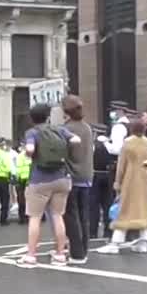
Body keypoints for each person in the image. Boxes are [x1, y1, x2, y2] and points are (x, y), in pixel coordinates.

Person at [16, 101, 79, 268]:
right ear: (48, 116)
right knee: (58, 216)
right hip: (61, 178)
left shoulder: (32, 132)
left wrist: (29, 152)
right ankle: (60, 255)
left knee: (35, 218)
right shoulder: (59, 129)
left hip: (39, 180)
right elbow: (76, 140)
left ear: (32, 118)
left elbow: (29, 149)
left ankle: (31, 256)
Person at [96, 114, 147, 254]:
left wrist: (117, 183)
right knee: (144, 211)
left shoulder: (128, 143)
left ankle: (115, 243)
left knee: (124, 211)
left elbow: (121, 165)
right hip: (146, 179)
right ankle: (143, 243)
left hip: (131, 180)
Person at [61, 98, 95, 264]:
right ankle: (84, 250)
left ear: (66, 112)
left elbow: (63, 153)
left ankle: (77, 253)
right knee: (83, 215)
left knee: (71, 216)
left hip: (71, 177)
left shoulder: (66, 129)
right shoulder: (87, 128)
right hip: (87, 176)